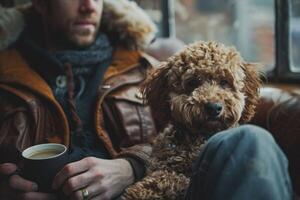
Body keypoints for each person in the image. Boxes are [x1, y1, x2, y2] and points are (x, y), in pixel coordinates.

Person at [0, 0, 294, 200]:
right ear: (39, 3)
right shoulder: (6, 75)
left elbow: (176, 140)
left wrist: (132, 165)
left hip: (161, 187)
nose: (89, 5)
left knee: (250, 141)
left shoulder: (145, 64)